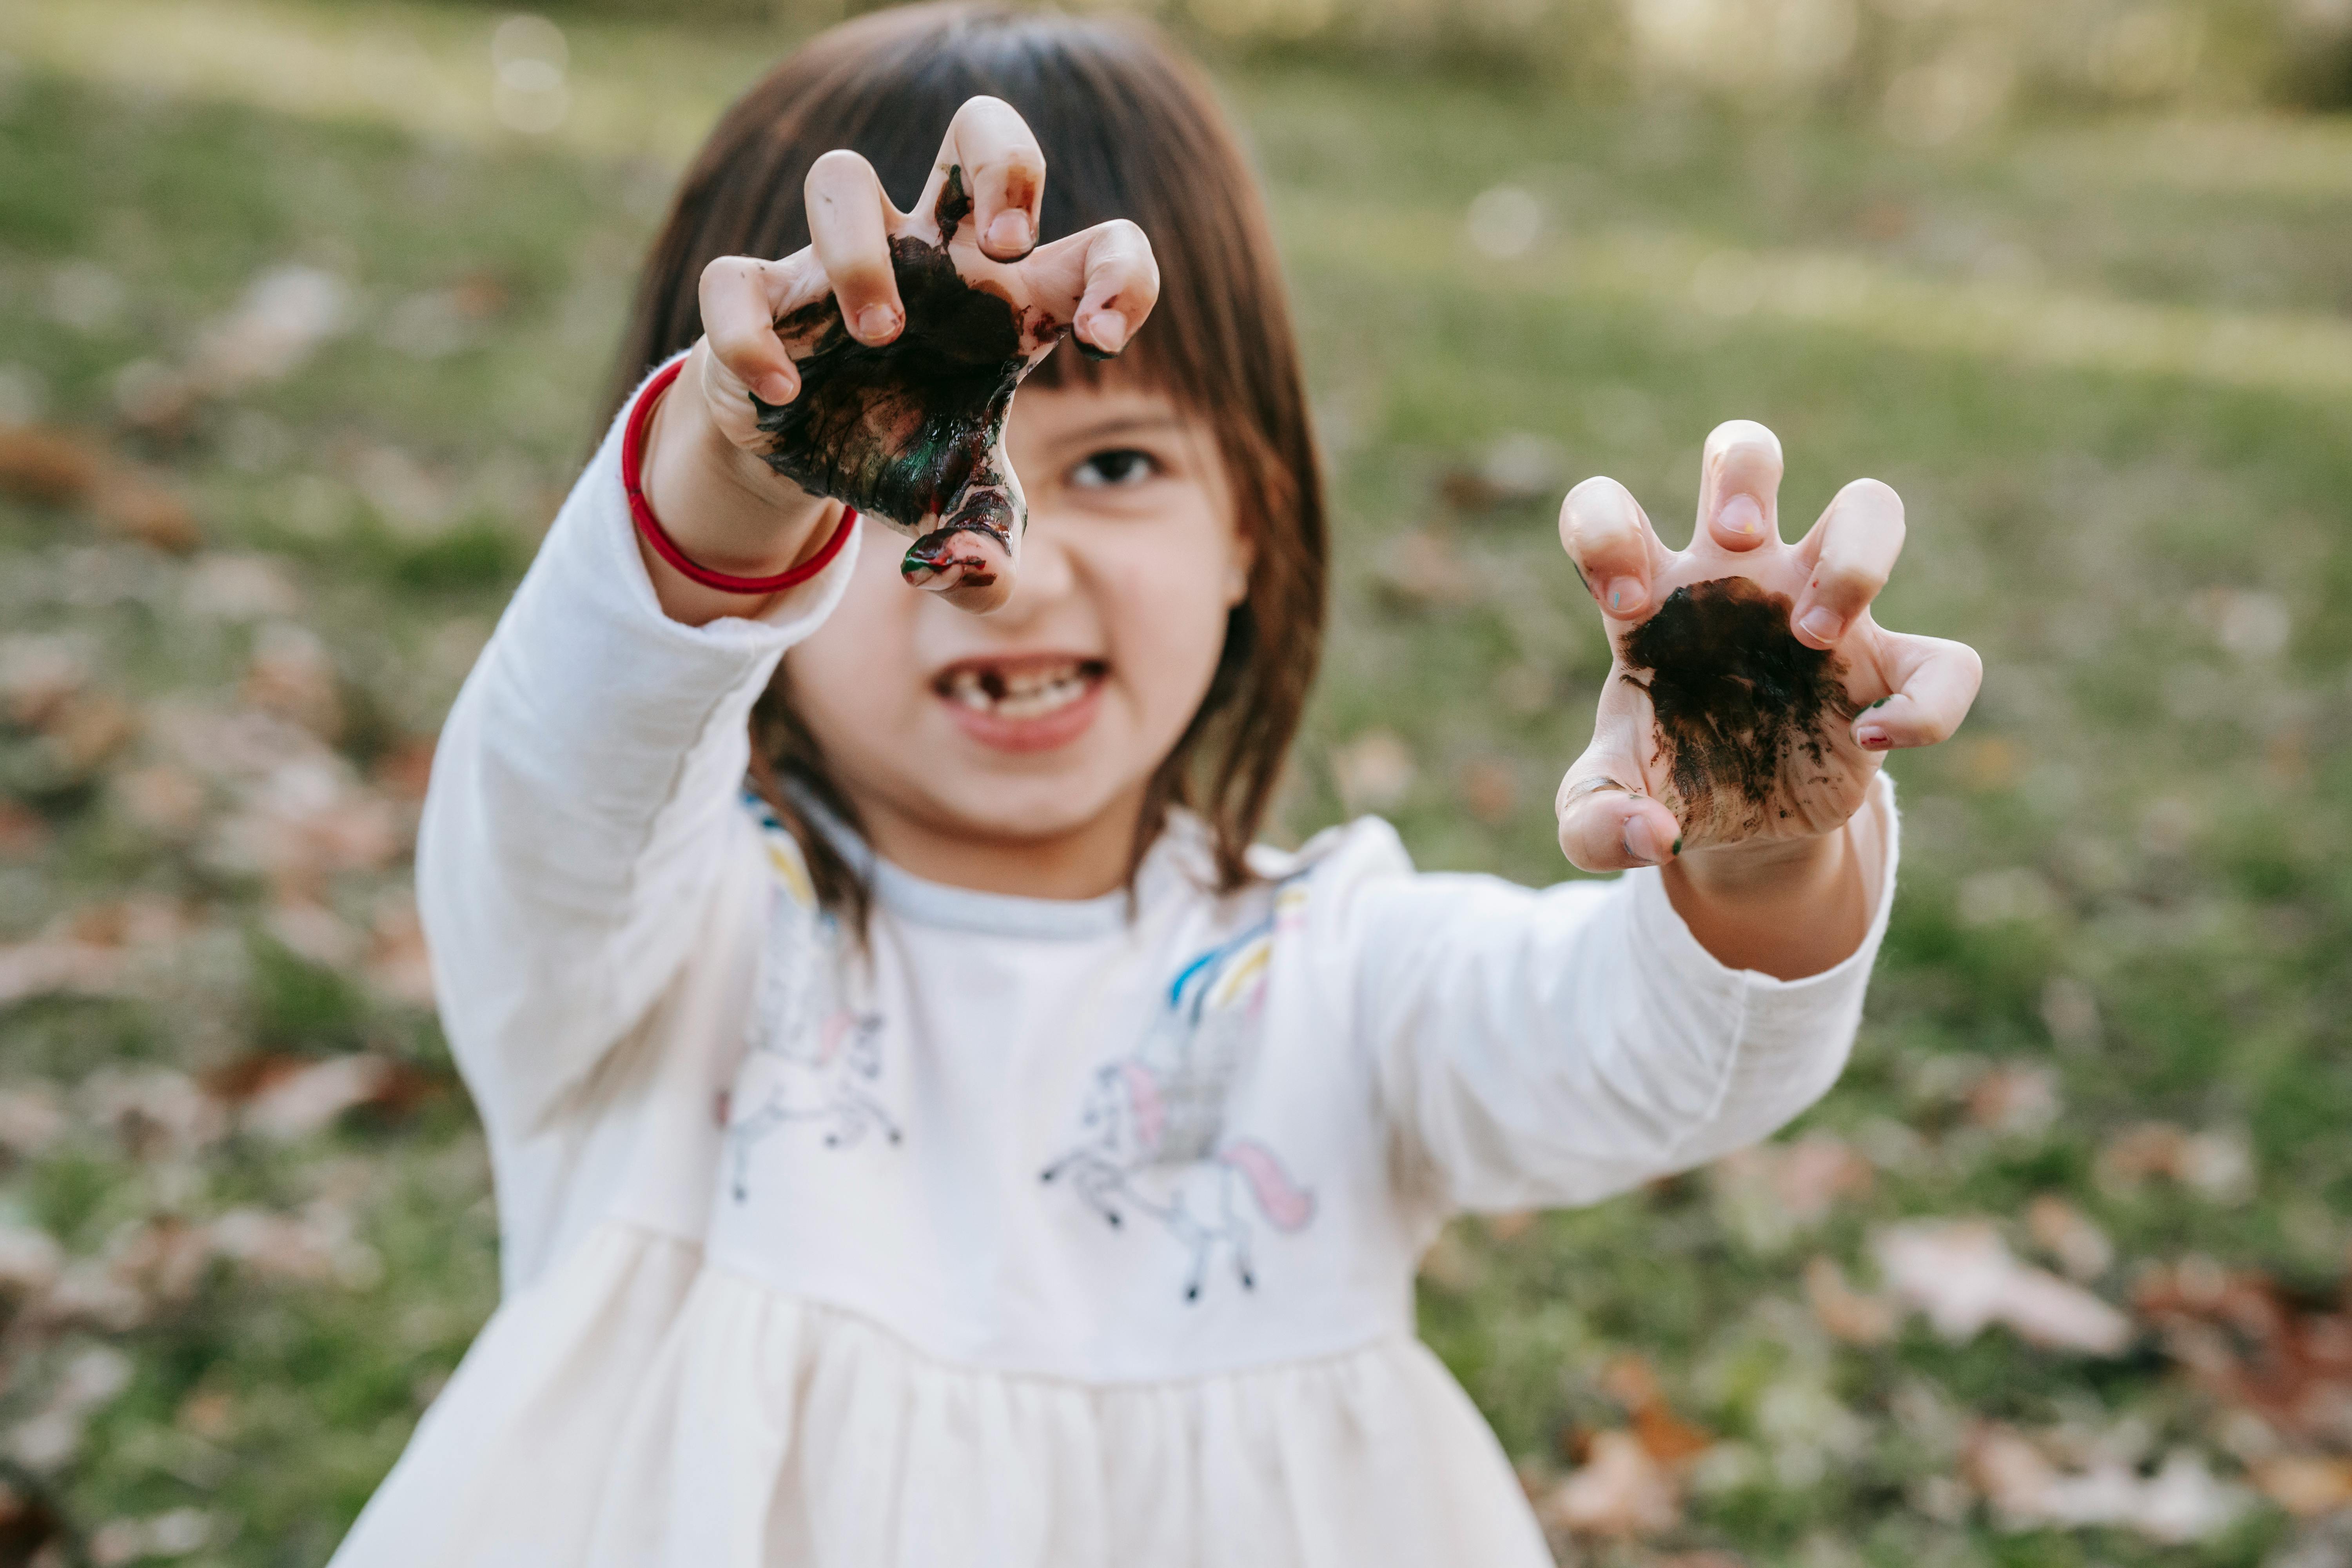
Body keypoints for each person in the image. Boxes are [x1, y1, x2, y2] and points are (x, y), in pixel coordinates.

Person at [329, 5, 1981, 1564]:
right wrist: (740, 472)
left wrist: (1765, 845)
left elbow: (1646, 1056)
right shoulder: (649, 940)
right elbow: (562, 771)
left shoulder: (1334, 975)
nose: (1016, 560)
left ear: (1253, 522)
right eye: (894, 452)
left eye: (1116, 464)